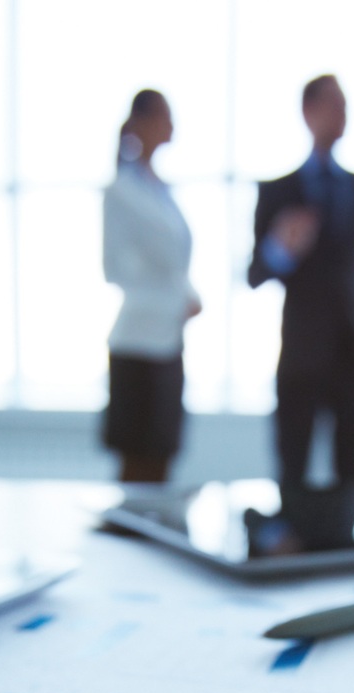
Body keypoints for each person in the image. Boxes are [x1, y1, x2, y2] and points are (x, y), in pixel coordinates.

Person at [248, 74, 354, 490]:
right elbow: (255, 274)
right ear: (308, 112)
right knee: (292, 473)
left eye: (345, 106)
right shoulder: (278, 191)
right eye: (334, 105)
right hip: (301, 353)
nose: (342, 114)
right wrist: (282, 247)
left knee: (353, 476)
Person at [101, 89, 199, 483]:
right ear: (140, 123)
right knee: (136, 468)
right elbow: (116, 269)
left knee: (162, 462)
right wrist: (175, 298)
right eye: (163, 116)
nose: (171, 125)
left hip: (169, 341)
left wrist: (185, 297)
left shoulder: (160, 189)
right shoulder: (121, 190)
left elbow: (172, 265)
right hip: (138, 346)